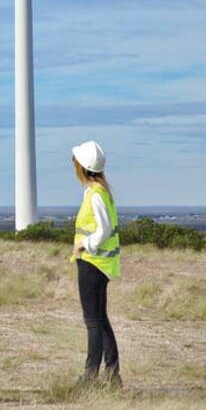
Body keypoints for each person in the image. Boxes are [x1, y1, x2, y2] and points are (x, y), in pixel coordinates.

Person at [71, 140, 121, 387]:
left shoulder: (95, 195)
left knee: (93, 321)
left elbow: (103, 230)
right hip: (101, 265)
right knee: (100, 319)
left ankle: (90, 377)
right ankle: (112, 375)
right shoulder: (102, 192)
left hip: (93, 264)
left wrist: (83, 245)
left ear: (81, 167)